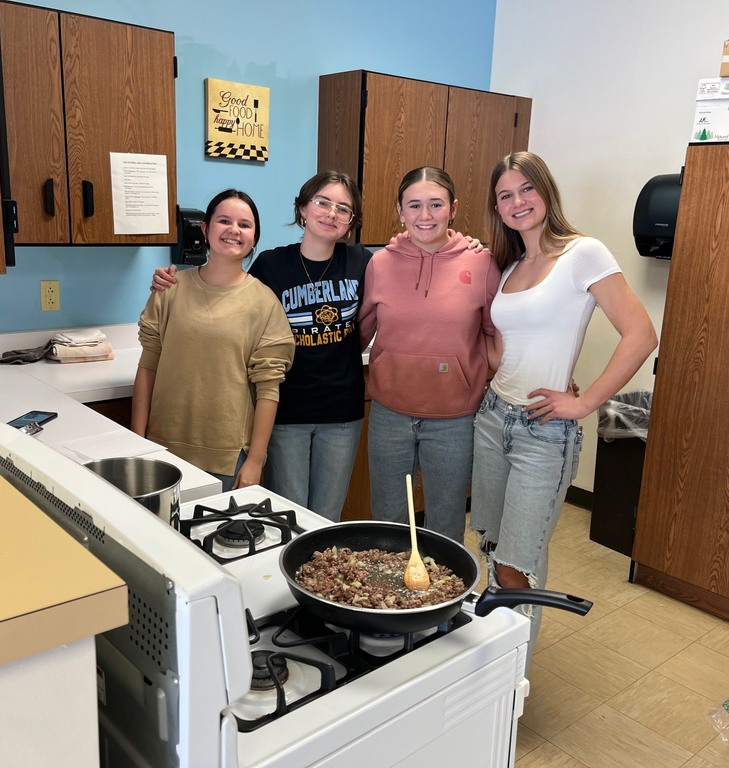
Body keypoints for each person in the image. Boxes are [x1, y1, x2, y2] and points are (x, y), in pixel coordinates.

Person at [469, 151, 658, 667]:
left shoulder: (583, 253)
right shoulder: (508, 265)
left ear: (546, 191)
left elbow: (641, 334)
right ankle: (494, 670)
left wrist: (585, 401)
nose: (517, 202)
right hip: (493, 417)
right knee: (490, 544)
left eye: (526, 189)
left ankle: (511, 691)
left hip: (542, 431)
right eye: (505, 195)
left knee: (516, 564)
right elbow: (506, 348)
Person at [150, 172, 370, 520]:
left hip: (342, 412)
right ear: (302, 210)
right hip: (287, 410)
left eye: (343, 209)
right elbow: (231, 297)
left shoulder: (362, 262)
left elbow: (387, 297)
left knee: (327, 518)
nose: (331, 213)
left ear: (351, 222)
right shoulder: (272, 264)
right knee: (288, 515)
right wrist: (169, 280)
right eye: (322, 202)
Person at [358, 166, 500, 543]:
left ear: (453, 209)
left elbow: (496, 337)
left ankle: (443, 600)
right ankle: (386, 598)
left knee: (446, 520)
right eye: (415, 205)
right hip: (390, 413)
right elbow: (361, 331)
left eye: (435, 205)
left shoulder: (481, 264)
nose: (425, 216)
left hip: (454, 418)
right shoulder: (380, 264)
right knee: (386, 517)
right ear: (400, 211)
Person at [132, 189, 295, 492]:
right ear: (205, 229)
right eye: (224, 221)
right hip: (163, 449)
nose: (234, 230)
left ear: (254, 239)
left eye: (245, 225)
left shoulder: (264, 303)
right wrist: (137, 440)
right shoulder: (169, 290)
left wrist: (256, 461)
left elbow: (268, 388)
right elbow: (147, 367)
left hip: (228, 457)